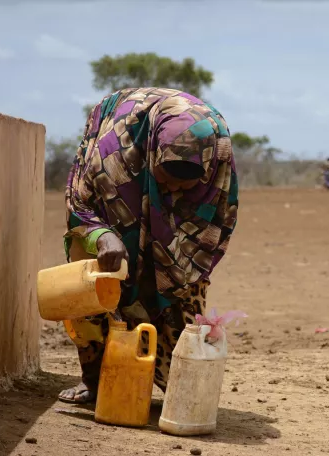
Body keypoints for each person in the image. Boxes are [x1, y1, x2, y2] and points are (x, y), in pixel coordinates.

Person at [58, 88, 238, 403]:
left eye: (187, 182)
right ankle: (96, 379)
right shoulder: (113, 148)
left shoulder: (216, 147)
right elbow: (79, 200)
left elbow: (218, 218)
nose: (175, 188)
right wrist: (101, 234)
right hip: (121, 192)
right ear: (154, 154)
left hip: (178, 228)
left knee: (180, 295)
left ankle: (172, 379)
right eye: (167, 176)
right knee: (96, 285)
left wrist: (174, 262)